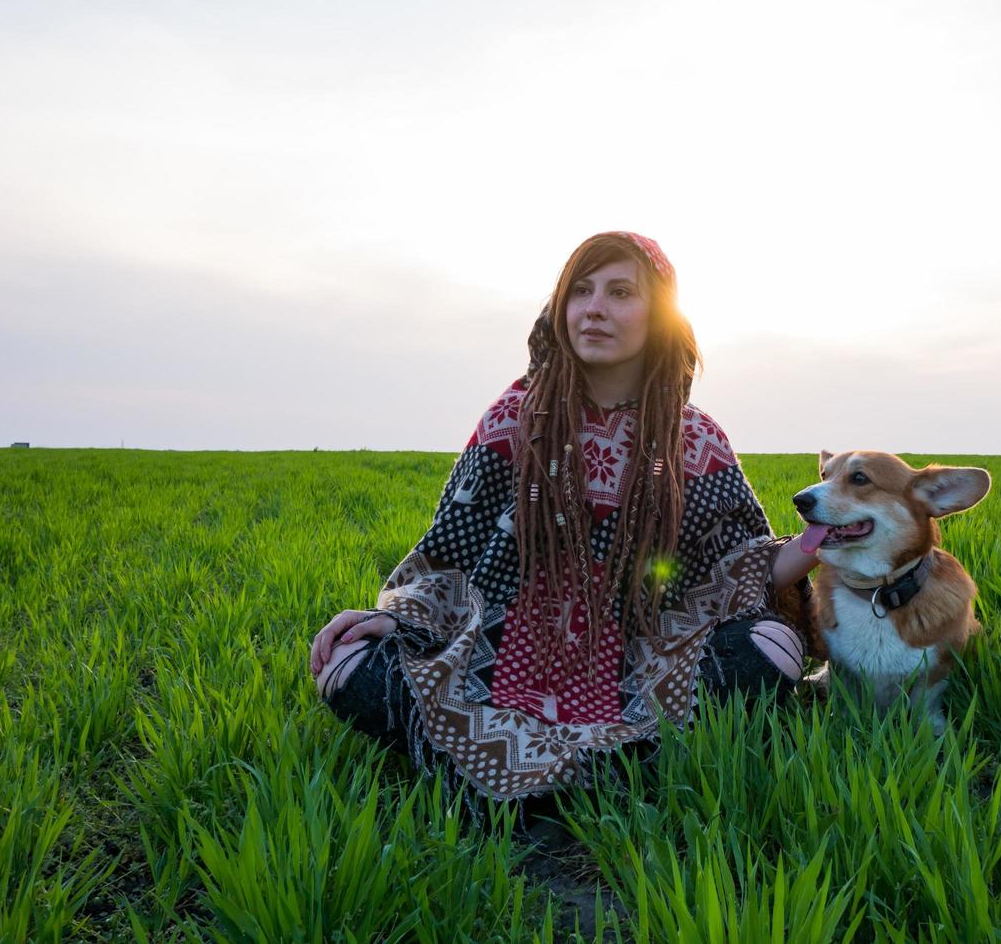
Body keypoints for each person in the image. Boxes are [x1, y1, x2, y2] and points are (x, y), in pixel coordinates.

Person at [308, 232, 818, 802]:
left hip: (640, 657)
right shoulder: (512, 417)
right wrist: (400, 620)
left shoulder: (693, 436)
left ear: (661, 316)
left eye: (621, 292)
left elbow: (738, 562)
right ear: (560, 307)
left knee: (772, 646)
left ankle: (563, 766)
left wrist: (827, 537)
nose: (595, 308)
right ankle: (615, 768)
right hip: (497, 654)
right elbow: (448, 553)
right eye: (581, 291)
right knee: (347, 662)